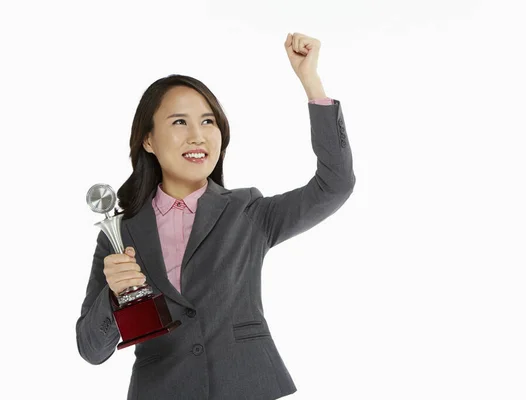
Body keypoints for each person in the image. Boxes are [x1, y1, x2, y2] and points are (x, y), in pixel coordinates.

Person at [75, 32, 355, 400]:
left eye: (208, 122)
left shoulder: (247, 211)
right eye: (179, 123)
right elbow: (91, 350)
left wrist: (311, 82)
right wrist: (114, 296)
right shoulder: (120, 232)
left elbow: (334, 184)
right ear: (148, 140)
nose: (198, 136)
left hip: (248, 387)